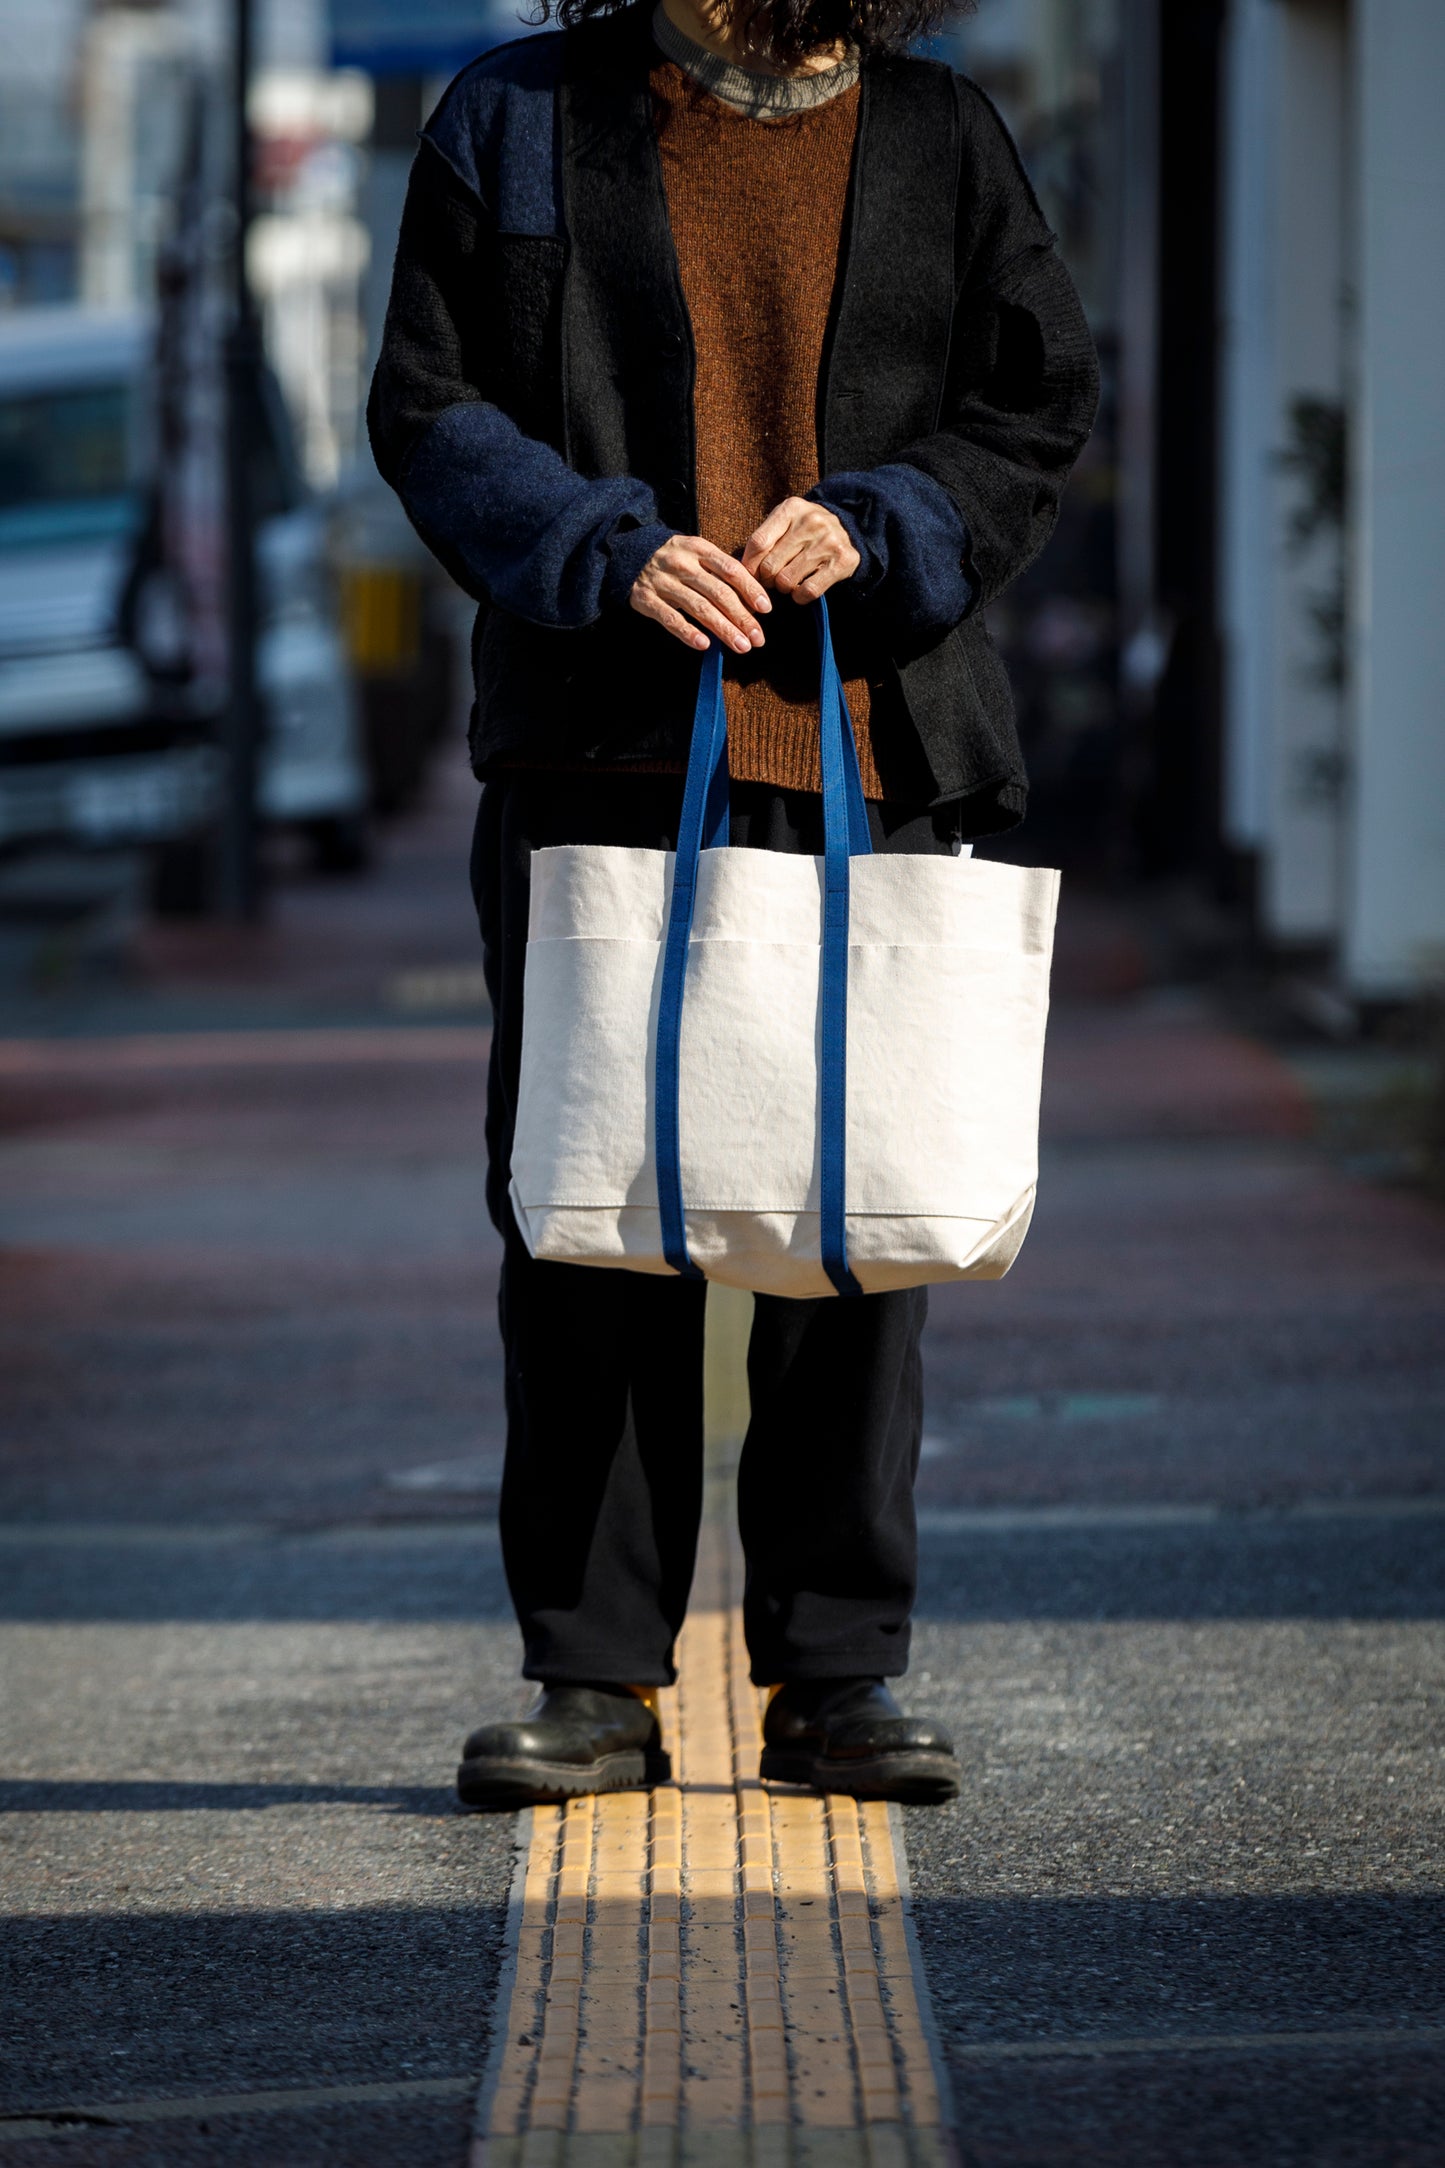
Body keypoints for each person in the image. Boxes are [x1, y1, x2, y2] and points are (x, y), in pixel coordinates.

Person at [369, 0, 1098, 1807]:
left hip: (875, 746)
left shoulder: (941, 133)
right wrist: (605, 548)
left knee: (846, 1224)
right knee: (591, 1215)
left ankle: (836, 1679)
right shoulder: (516, 111)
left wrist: (889, 516)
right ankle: (596, 1679)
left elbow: (1036, 401)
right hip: (603, 763)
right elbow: (427, 403)